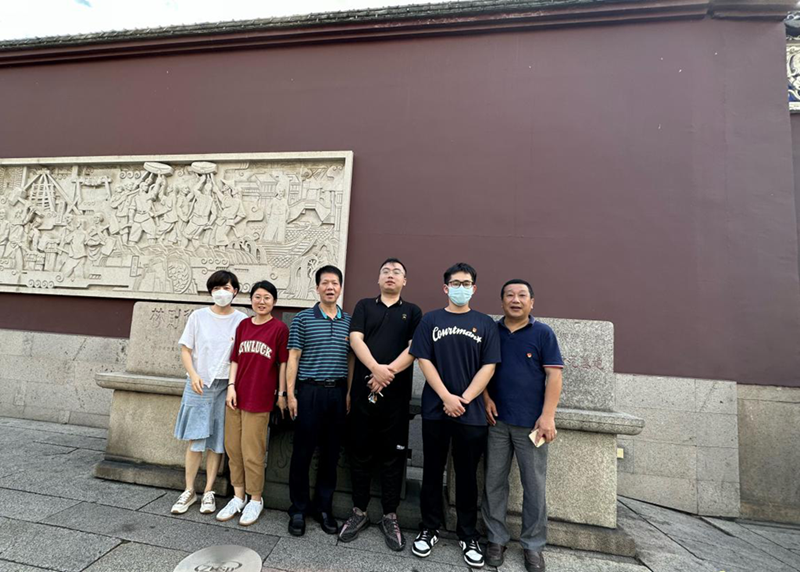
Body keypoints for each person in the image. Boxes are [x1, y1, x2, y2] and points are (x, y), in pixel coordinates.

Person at [409, 262, 501, 568]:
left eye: (466, 283)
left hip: (471, 414)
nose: (461, 288)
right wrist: (446, 397)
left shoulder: (485, 323)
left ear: (474, 288)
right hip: (436, 410)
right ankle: (429, 528)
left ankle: (467, 533)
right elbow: (423, 360)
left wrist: (465, 398)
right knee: (432, 471)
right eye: (455, 283)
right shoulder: (431, 320)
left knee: (467, 476)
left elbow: (489, 365)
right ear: (445, 287)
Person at [338, 258, 423, 551]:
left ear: (404, 281)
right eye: (385, 271)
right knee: (359, 453)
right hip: (363, 396)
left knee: (392, 457)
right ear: (378, 279)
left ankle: (390, 515)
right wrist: (375, 369)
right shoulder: (364, 306)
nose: (390, 275)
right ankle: (359, 511)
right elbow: (355, 339)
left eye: (397, 272)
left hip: (396, 400)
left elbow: (414, 348)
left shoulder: (413, 311)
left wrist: (387, 374)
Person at [482, 279, 563, 572]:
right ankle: (496, 539)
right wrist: (486, 398)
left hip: (532, 425)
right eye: (509, 295)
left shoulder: (543, 333)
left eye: (522, 295)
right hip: (497, 422)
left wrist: (548, 416)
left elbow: (554, 375)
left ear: (532, 302)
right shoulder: (491, 331)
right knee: (493, 482)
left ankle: (533, 545)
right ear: (502, 301)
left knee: (534, 486)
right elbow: (481, 369)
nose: (515, 300)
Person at [171, 270, 248, 515]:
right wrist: (193, 374)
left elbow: (241, 355)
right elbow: (186, 349)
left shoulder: (242, 319)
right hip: (198, 384)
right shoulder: (198, 316)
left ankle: (209, 491)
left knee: (216, 442)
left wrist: (233, 386)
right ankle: (189, 490)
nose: (221, 293)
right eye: (216, 288)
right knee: (195, 440)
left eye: (226, 288)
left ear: (235, 291)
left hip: (225, 386)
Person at [286, 265, 353, 536]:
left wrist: (348, 392)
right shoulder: (302, 319)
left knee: (331, 453)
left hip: (337, 393)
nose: (330, 287)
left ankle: (324, 508)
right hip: (309, 392)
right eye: (325, 283)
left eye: (334, 283)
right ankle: (298, 509)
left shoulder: (349, 321)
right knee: (302, 452)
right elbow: (293, 357)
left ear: (340, 288)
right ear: (317, 288)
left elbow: (351, 358)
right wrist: (290, 394)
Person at [216, 280, 289, 526]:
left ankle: (255, 499)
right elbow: (235, 359)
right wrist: (231, 387)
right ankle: (238, 497)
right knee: (233, 448)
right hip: (236, 396)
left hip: (260, 398)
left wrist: (281, 393)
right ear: (251, 300)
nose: (261, 301)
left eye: (267, 297)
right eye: (257, 297)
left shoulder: (279, 329)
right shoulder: (244, 325)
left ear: (274, 302)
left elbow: (283, 363)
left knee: (252, 451)